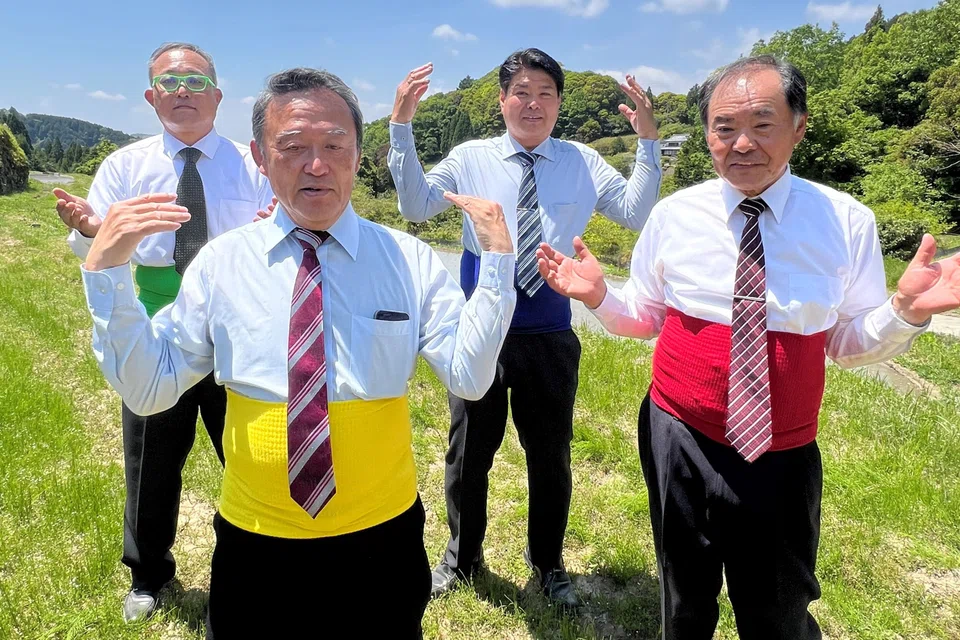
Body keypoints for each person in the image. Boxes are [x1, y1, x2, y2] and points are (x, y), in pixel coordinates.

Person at [78, 67, 517, 638]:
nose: (317, 164)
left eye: (335, 145)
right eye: (293, 147)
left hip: (382, 537)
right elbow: (150, 387)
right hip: (254, 539)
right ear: (260, 157)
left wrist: (497, 265)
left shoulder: (408, 261)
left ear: (359, 153)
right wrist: (107, 273)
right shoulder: (222, 264)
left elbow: (469, 377)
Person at [536, 54, 960, 639]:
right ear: (706, 132)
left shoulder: (846, 222)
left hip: (781, 451)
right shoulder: (675, 216)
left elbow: (847, 342)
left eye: (762, 125)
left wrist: (905, 312)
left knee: (778, 608)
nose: (741, 144)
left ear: (799, 126)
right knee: (683, 598)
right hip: (678, 435)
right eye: (723, 127)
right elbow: (645, 317)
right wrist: (600, 296)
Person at [387, 48, 663, 607]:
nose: (532, 104)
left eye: (545, 94)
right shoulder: (470, 156)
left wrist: (649, 142)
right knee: (469, 453)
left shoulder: (583, 161)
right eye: (521, 93)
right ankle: (461, 558)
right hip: (480, 329)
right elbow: (416, 206)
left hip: (550, 330)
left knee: (550, 453)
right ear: (501, 101)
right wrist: (401, 126)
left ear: (560, 102)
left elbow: (636, 213)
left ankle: (550, 564)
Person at [52, 42, 273, 621]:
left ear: (218, 96)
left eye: (196, 82)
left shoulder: (253, 163)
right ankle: (149, 574)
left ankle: (260, 562)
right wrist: (88, 230)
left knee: (251, 454)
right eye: (169, 82)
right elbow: (94, 247)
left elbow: (280, 234)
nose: (183, 92)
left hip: (235, 328)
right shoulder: (125, 167)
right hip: (154, 327)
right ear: (151, 97)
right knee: (150, 460)